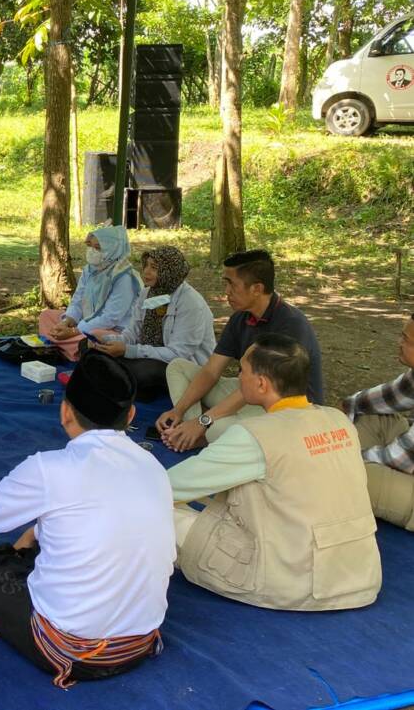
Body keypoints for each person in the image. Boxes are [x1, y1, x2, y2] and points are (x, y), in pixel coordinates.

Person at [0, 353, 175, 689]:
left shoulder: (50, 469)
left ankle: (3, 625)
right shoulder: (153, 466)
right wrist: (36, 531)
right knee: (41, 543)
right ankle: (13, 616)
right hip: (138, 645)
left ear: (65, 412)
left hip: (67, 651)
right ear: (131, 415)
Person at [168, 334, 380, 611]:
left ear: (261, 383)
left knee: (147, 504)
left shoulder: (255, 436)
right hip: (359, 576)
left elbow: (169, 486)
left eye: (241, 371)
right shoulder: (338, 420)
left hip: (287, 582)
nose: (238, 378)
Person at [156, 249, 324, 451]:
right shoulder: (240, 318)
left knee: (220, 430)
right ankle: (190, 432)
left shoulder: (290, 324)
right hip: (248, 390)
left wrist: (204, 421)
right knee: (177, 368)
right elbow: (211, 370)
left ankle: (200, 431)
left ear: (257, 288)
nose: (226, 291)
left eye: (231, 284)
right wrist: (178, 410)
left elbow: (258, 388)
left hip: (281, 409)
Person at [91, 246, 215, 401]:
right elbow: (133, 332)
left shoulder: (190, 303)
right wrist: (108, 343)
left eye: (154, 268)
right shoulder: (148, 293)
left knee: (143, 371)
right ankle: (135, 386)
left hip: (185, 367)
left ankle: (133, 385)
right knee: (93, 352)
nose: (146, 272)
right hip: (148, 356)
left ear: (170, 271)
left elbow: (178, 354)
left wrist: (128, 350)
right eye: (146, 265)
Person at [339, 313, 414, 531]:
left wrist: (339, 457)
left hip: (407, 462)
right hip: (406, 458)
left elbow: (402, 459)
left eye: (406, 340)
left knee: (342, 475)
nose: (399, 343)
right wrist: (343, 409)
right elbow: (387, 397)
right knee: (370, 416)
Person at [38, 225, 142, 362]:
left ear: (112, 249)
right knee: (47, 316)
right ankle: (70, 349)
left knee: (96, 336)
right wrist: (66, 322)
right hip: (84, 323)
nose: (93, 251)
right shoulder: (90, 270)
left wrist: (75, 331)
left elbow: (111, 318)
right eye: (91, 247)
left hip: (114, 329)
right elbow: (78, 300)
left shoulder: (124, 277)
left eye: (98, 248)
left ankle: (67, 349)